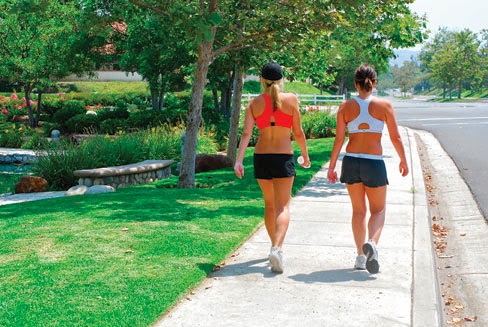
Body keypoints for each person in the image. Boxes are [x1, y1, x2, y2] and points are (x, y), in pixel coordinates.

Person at [327, 63, 409, 274]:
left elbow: (338, 140)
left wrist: (332, 166)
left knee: (358, 211)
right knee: (379, 210)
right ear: (374, 83)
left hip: (351, 162)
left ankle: (360, 257)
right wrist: (403, 160)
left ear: (356, 84)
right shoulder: (384, 106)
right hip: (373, 162)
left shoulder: (345, 107)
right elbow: (395, 137)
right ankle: (372, 242)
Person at [234, 62, 310, 273]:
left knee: (269, 205)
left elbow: (247, 134)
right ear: (281, 79)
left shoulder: (254, 104)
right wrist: (305, 154)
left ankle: (275, 247)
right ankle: (277, 248)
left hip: (262, 158)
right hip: (283, 157)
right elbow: (299, 132)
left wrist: (239, 160)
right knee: (283, 206)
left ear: (262, 80)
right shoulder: (292, 99)